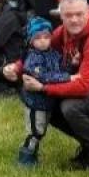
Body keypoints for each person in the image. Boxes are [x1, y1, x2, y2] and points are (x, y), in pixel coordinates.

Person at [5, 0, 89, 171]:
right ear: (61, 16)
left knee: (70, 106)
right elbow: (37, 51)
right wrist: (15, 68)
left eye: (79, 14)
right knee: (48, 105)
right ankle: (88, 149)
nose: (74, 20)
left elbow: (83, 87)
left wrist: (44, 87)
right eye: (68, 15)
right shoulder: (63, 32)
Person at [16, 17, 71, 167]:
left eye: (46, 37)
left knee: (41, 129)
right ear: (31, 40)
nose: (43, 41)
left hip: (48, 102)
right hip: (35, 102)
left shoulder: (54, 54)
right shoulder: (32, 57)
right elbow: (43, 76)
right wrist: (67, 77)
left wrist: (72, 66)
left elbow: (62, 68)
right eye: (38, 38)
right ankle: (25, 159)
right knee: (35, 131)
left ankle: (32, 155)